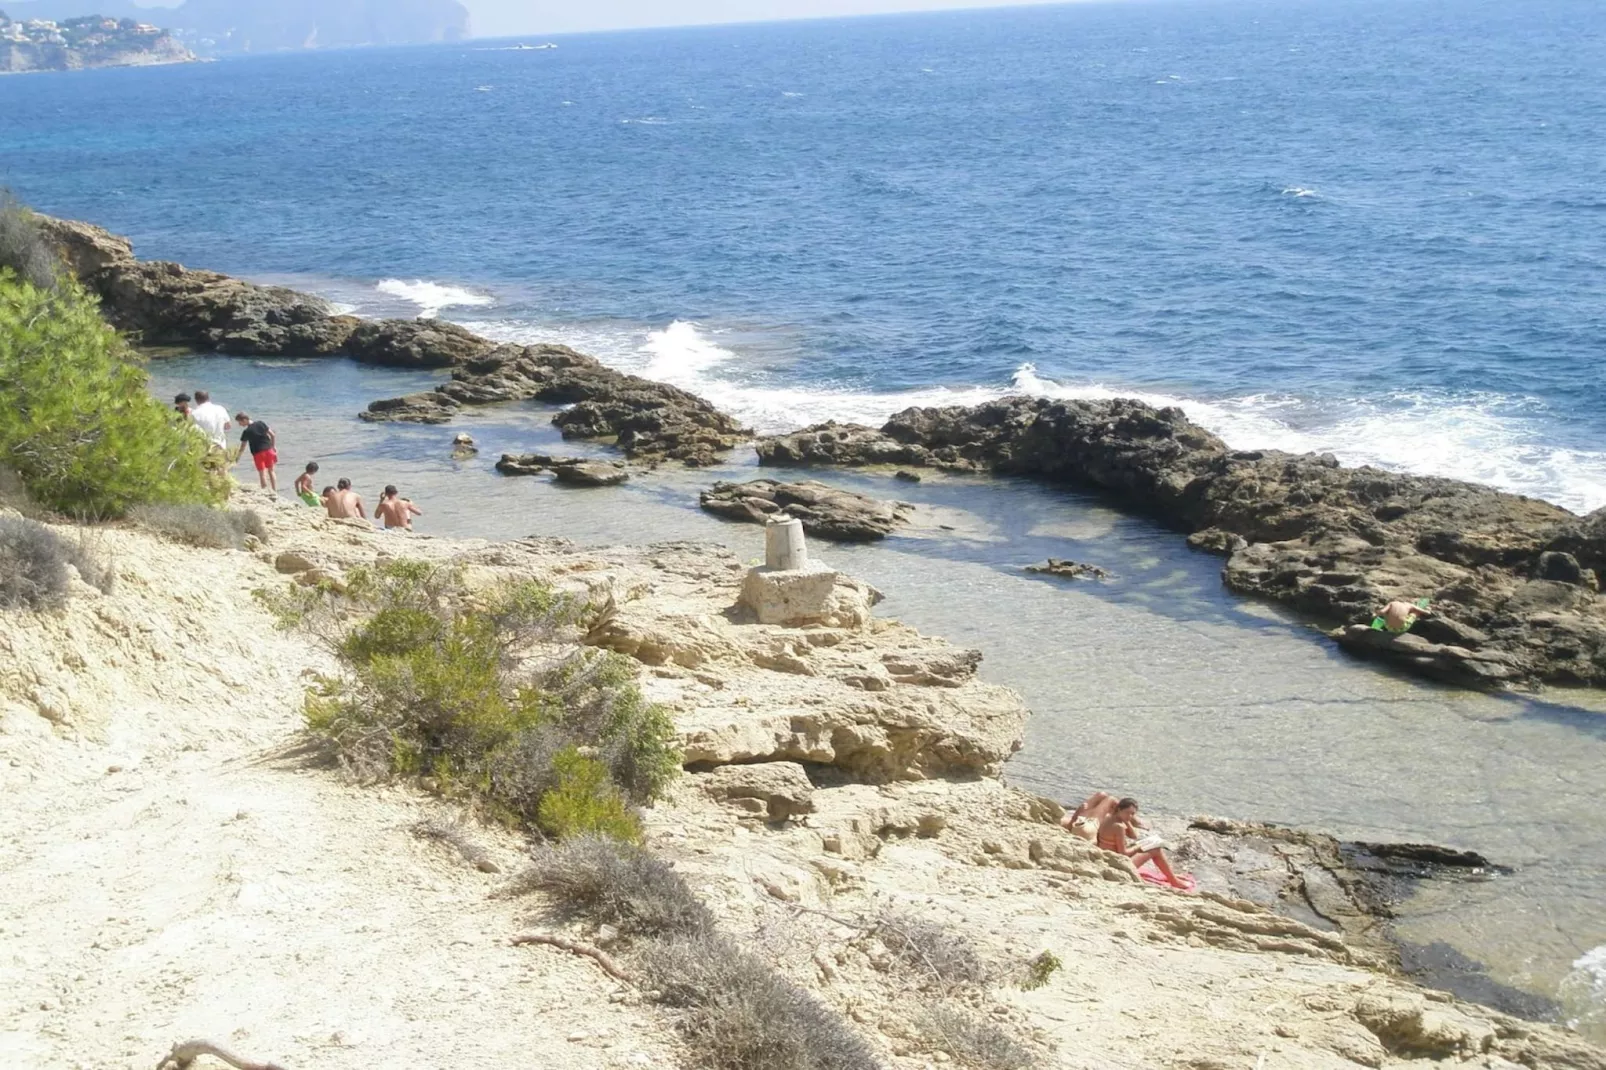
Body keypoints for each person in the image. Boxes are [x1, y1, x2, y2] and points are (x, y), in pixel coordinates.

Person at [1097, 798, 1190, 890]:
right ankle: (1174, 881)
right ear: (1119, 809)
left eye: (1132, 814)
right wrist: (1138, 847)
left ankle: (1171, 875)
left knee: (1152, 842)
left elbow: (1134, 836)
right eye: (1127, 813)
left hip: (1107, 857)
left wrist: (1126, 820)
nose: (1129, 816)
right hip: (1116, 863)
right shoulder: (1119, 827)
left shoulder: (1109, 817)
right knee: (1155, 849)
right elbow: (1123, 854)